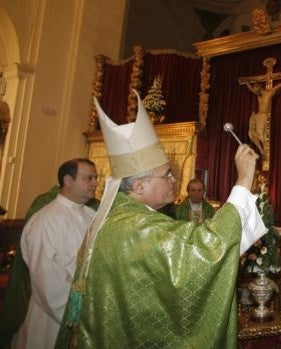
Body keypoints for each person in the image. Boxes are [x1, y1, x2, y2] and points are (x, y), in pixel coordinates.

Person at [55, 91, 267, 348]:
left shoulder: (124, 218)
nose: (173, 180)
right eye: (166, 175)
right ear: (139, 186)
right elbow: (204, 253)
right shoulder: (135, 226)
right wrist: (243, 181)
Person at [11, 159, 98, 348]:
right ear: (68, 180)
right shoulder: (47, 219)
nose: (96, 183)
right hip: (54, 315)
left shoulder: (91, 215)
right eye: (89, 178)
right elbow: (46, 277)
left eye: (95, 178)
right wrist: (76, 314)